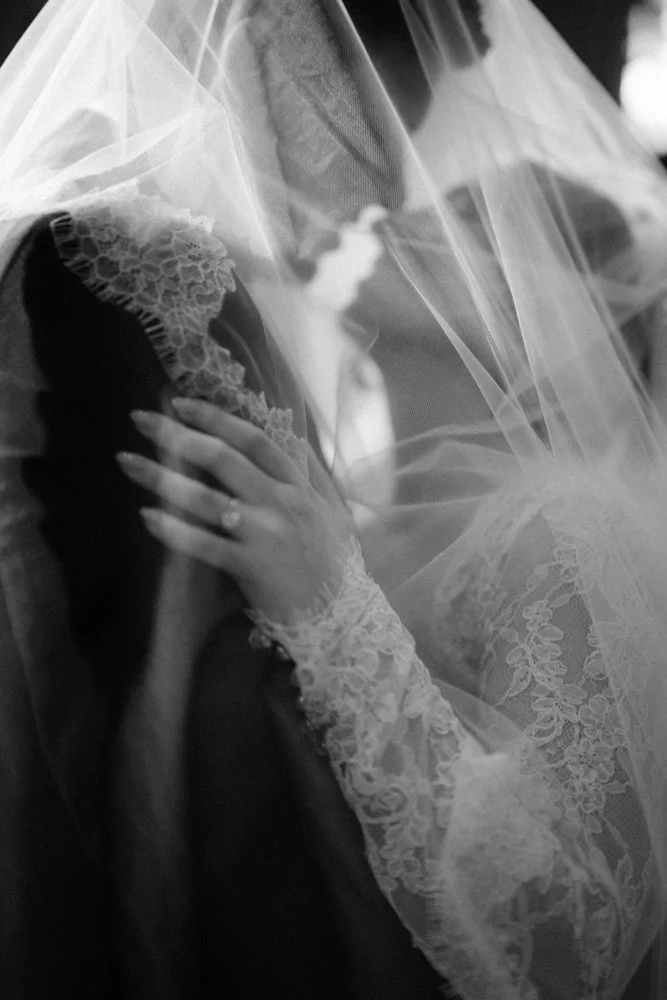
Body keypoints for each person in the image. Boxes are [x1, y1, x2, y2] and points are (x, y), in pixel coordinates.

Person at [1, 2, 667, 999]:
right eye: (401, 95)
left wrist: (329, 610)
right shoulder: (122, 282)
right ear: (283, 38)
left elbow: (560, 931)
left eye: (464, 226)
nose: (402, 195)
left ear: (536, 326)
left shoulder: (564, 522)